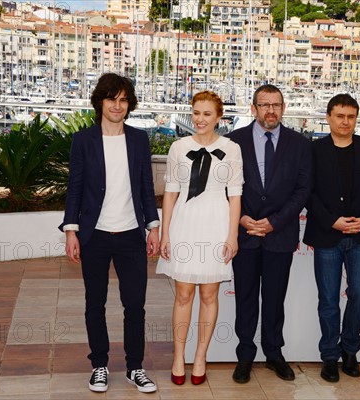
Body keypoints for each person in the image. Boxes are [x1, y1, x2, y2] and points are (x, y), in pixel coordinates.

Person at [59, 73, 159, 394]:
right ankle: (99, 365)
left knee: (135, 305)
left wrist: (152, 227)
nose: (117, 105)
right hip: (95, 235)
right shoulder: (83, 141)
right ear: (100, 101)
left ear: (129, 104)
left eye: (123, 100)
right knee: (95, 303)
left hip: (131, 234)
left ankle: (135, 368)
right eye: (111, 99)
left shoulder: (139, 140)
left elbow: (146, 188)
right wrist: (71, 230)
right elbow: (74, 189)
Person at [156, 90, 243, 385]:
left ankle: (201, 356)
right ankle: (179, 356)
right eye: (196, 113)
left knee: (209, 295)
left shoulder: (231, 148)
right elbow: (170, 193)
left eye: (207, 114)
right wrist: (165, 232)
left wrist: (232, 236)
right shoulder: (178, 147)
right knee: (183, 294)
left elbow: (236, 196)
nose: (200, 119)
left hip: (217, 224)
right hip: (184, 223)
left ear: (219, 117)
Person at [227, 84, 312, 383]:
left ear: (283, 108)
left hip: (280, 234)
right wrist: (242, 220)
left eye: (276, 104)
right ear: (253, 108)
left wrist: (274, 221)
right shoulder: (232, 142)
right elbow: (224, 188)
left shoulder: (300, 144)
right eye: (264, 104)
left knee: (275, 300)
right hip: (245, 233)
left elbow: (303, 190)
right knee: (246, 299)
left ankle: (274, 353)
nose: (270, 110)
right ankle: (245, 356)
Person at [303, 94, 360, 383]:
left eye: (350, 116)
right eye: (339, 116)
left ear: (356, 118)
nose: (345, 122)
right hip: (327, 235)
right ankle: (329, 357)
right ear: (328, 117)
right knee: (328, 300)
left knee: (359, 294)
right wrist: (331, 221)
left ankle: (350, 350)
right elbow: (307, 192)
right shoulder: (314, 150)